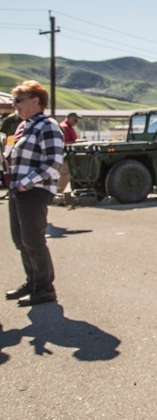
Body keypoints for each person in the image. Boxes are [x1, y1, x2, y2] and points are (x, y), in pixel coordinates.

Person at [4, 80, 64, 306]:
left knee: (33, 240)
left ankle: (44, 288)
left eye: (18, 100)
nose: (14, 105)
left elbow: (53, 163)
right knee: (20, 240)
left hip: (34, 191)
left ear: (35, 101)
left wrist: (25, 183)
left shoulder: (47, 125)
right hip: (19, 190)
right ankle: (32, 282)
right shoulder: (25, 126)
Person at [56, 112, 80, 194]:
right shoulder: (64, 127)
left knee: (67, 173)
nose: (76, 122)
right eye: (75, 120)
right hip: (65, 154)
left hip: (69, 154)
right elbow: (64, 142)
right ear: (69, 118)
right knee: (65, 173)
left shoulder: (69, 127)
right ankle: (58, 193)